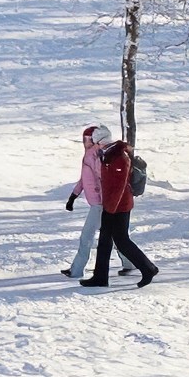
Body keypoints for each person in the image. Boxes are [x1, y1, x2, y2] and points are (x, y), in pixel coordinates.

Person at [88, 122, 158, 289]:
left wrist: (111, 209)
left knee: (121, 240)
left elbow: (119, 185)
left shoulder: (119, 156)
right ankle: (100, 277)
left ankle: (148, 268)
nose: (94, 145)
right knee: (105, 241)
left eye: (96, 142)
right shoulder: (107, 154)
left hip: (119, 206)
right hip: (110, 204)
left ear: (102, 141)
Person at [62, 118, 111, 284]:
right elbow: (84, 179)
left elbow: (102, 177)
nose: (85, 142)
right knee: (115, 236)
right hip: (97, 203)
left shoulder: (96, 155)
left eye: (86, 139)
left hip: (99, 204)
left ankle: (76, 270)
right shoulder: (89, 155)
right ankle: (130, 263)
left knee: (87, 237)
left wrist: (105, 200)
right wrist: (73, 196)